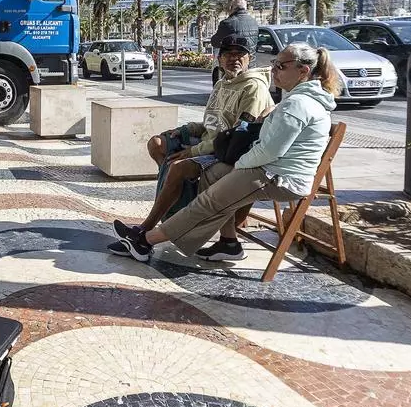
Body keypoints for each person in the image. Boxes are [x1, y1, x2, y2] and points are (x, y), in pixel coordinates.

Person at [118, 42, 339, 262]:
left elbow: (270, 151)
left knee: (209, 200)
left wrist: (239, 167)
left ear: (303, 71)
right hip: (265, 167)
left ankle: (145, 240)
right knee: (210, 176)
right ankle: (229, 242)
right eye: (274, 64)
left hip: (277, 176)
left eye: (281, 66)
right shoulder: (295, 100)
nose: (273, 71)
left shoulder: (298, 104)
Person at [109, 34, 273, 256]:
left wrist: (192, 151)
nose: (234, 59)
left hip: (230, 152)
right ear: (219, 59)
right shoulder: (223, 82)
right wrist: (189, 129)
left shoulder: (253, 87)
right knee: (157, 145)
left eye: (239, 55)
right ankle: (177, 194)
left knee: (178, 168)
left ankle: (144, 230)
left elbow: (237, 135)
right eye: (228, 54)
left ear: (249, 58)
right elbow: (212, 122)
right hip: (213, 141)